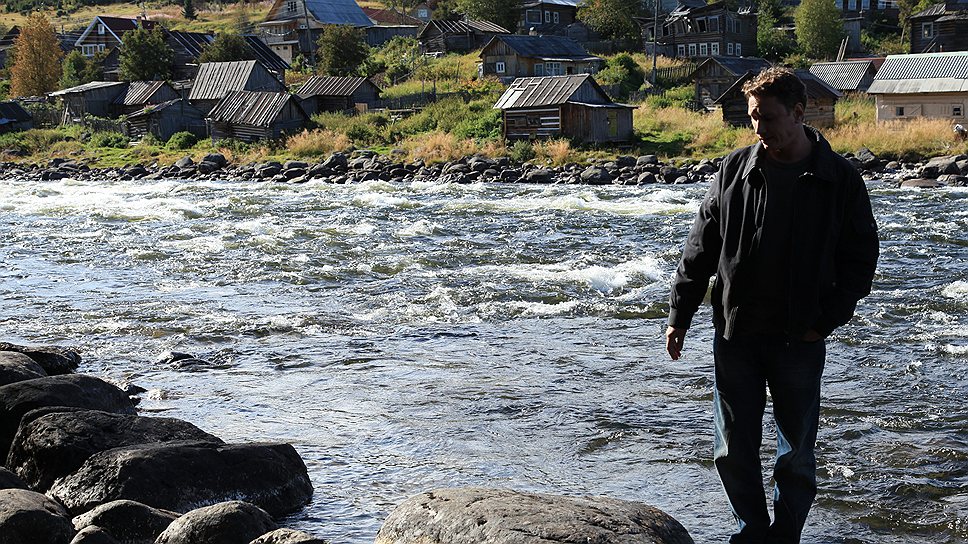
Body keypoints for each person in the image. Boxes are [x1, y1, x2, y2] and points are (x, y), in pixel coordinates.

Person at [665, 67, 879, 543]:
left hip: (799, 337)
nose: (758, 129)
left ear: (798, 113)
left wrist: (825, 321)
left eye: (766, 117)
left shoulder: (839, 177)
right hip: (736, 333)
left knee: (796, 453)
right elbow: (701, 247)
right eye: (752, 118)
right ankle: (751, 534)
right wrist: (681, 314)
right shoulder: (735, 168)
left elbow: (861, 259)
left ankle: (785, 538)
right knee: (732, 449)